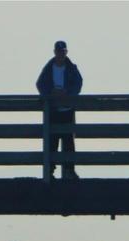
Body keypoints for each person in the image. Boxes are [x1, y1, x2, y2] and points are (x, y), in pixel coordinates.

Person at [36, 40, 83, 179]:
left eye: (63, 52)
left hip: (67, 109)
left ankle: (69, 170)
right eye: (59, 51)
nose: (61, 54)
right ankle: (50, 170)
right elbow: (40, 84)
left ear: (65, 52)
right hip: (53, 110)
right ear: (55, 52)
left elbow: (78, 83)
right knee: (52, 141)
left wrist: (67, 93)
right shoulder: (49, 68)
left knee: (69, 140)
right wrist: (51, 94)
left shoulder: (71, 68)